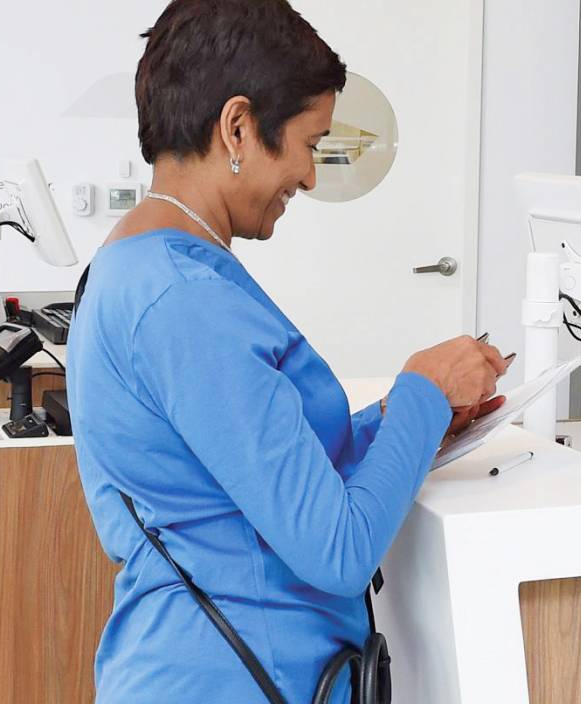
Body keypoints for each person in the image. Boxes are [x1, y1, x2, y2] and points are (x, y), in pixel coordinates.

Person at [65, 1, 509, 701]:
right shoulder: (183, 299)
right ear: (237, 127)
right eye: (310, 143)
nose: (308, 176)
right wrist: (423, 389)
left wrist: (403, 417)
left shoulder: (147, 267)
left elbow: (256, 463)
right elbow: (336, 550)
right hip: (228, 678)